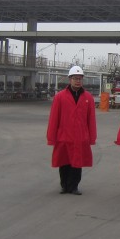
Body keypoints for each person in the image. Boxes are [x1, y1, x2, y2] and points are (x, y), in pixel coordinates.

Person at [46, 65, 98, 195]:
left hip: (80, 137)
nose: (78, 81)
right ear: (70, 79)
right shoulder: (60, 97)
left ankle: (74, 186)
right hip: (64, 136)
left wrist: (91, 137)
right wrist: (51, 137)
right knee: (64, 162)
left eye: (80, 78)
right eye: (75, 78)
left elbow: (91, 119)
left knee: (77, 163)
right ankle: (64, 185)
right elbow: (54, 118)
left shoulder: (88, 98)